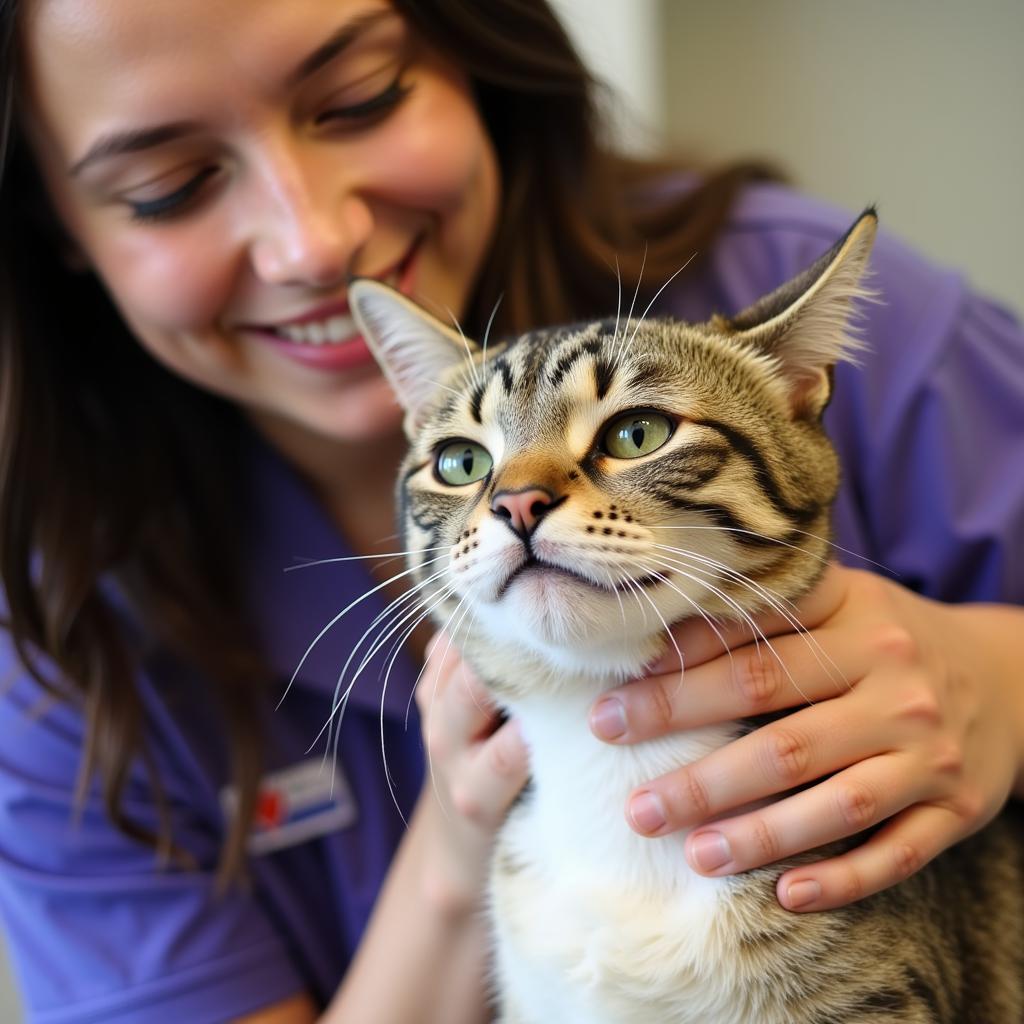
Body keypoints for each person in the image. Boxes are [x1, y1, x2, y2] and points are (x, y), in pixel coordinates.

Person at [0, 0, 1021, 1021]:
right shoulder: (58, 656)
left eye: (359, 98)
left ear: (476, 52)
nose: (315, 244)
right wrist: (453, 858)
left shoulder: (785, 305)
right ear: (52, 222)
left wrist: (997, 673)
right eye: (165, 187)